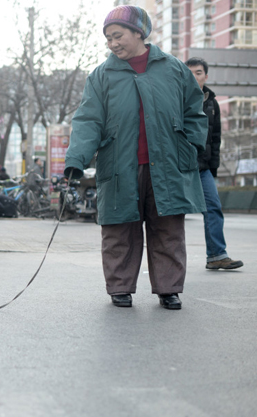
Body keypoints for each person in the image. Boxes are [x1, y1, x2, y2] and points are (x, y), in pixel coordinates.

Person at [63, 6, 208, 309]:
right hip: (120, 164)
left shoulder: (173, 69)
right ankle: (120, 287)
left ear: (138, 33)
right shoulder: (102, 76)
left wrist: (192, 146)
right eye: (108, 39)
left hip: (168, 164)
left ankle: (169, 288)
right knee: (119, 228)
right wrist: (76, 159)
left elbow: (194, 111)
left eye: (118, 36)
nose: (113, 44)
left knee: (168, 228)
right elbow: (88, 120)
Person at [185, 57, 244, 270]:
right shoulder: (174, 100)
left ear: (205, 76)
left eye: (198, 73)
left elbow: (216, 139)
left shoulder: (212, 103)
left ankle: (217, 255)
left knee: (213, 208)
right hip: (179, 167)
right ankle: (170, 262)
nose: (193, 77)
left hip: (202, 169)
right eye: (189, 72)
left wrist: (213, 169)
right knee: (171, 215)